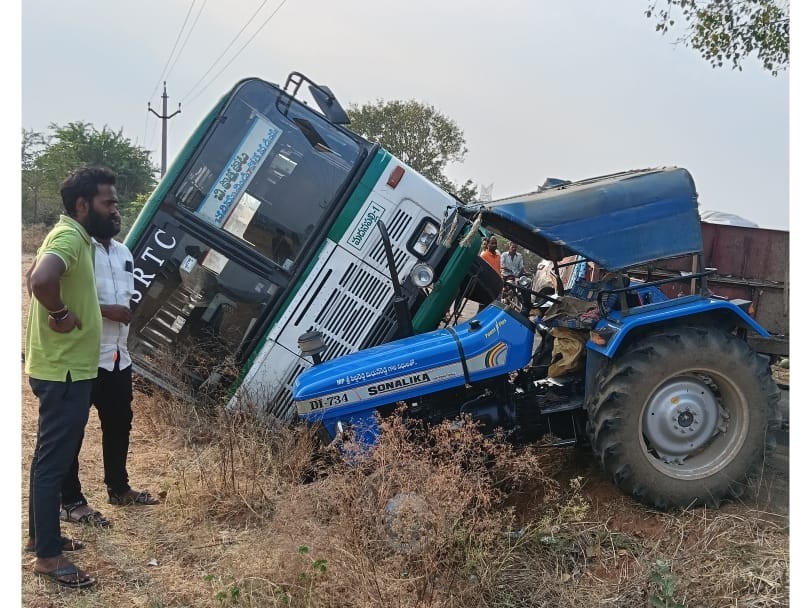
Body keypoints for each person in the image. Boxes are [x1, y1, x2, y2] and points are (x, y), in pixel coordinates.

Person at [24, 166, 119, 589]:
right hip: (63, 372)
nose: (115, 210)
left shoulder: (78, 237)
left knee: (49, 459)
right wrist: (61, 315)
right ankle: (47, 557)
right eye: (108, 203)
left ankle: (42, 538)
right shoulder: (69, 237)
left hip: (64, 369)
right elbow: (40, 279)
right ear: (83, 205)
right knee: (52, 463)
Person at [60, 227, 159, 526]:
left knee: (119, 424)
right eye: (109, 204)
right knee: (71, 431)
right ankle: (70, 501)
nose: (115, 211)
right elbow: (57, 295)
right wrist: (105, 311)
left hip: (118, 357)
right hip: (83, 358)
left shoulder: (123, 252)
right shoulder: (76, 249)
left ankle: (118, 488)